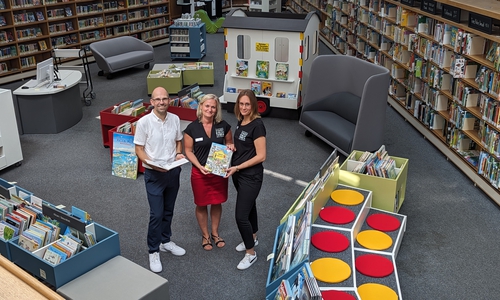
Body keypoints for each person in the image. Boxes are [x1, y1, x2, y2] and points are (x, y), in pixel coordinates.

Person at [134, 86, 186, 273]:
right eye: (158, 99)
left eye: (165, 99)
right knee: (156, 214)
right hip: (154, 173)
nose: (161, 102)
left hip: (173, 171)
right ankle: (153, 250)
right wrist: (150, 163)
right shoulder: (144, 122)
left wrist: (179, 153)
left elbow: (178, 140)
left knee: (168, 210)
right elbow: (138, 149)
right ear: (152, 102)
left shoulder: (175, 119)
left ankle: (166, 241)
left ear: (169, 100)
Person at [184, 94, 233, 251]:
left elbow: (229, 142)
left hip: (218, 172)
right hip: (200, 173)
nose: (210, 109)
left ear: (216, 109)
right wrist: (199, 166)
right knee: (201, 203)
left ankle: (215, 233)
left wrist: (231, 146)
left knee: (217, 202)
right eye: (207, 106)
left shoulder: (223, 126)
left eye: (213, 107)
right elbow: (188, 151)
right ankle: (205, 235)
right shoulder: (191, 128)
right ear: (201, 107)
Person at [225, 89, 266, 270]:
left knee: (240, 216)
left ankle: (251, 253)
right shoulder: (241, 121)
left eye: (247, 104)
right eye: (241, 104)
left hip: (251, 176)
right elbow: (243, 146)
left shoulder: (257, 125)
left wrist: (238, 167)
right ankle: (253, 237)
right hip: (238, 175)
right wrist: (233, 147)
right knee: (250, 208)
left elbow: (261, 156)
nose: (243, 107)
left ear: (253, 105)